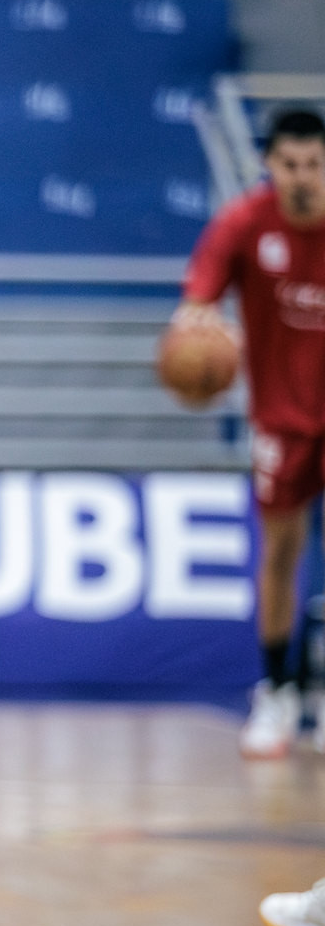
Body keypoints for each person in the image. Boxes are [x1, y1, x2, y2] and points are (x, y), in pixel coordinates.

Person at [170, 107, 325, 758]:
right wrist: (203, 332)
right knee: (281, 554)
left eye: (315, 165)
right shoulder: (242, 224)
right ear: (269, 165)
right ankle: (279, 690)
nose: (302, 177)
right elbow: (195, 302)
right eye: (290, 164)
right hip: (282, 418)